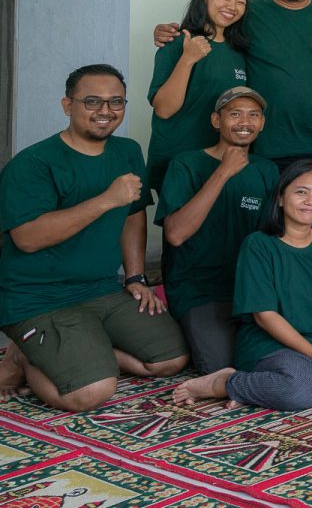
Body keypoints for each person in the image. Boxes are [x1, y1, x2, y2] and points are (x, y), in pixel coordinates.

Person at [0, 65, 189, 411]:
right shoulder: (33, 163)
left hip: (101, 289)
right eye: (92, 101)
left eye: (116, 101)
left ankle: (86, 350)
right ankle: (23, 358)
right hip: (39, 298)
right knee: (91, 393)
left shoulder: (127, 151)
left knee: (171, 358)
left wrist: (135, 277)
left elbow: (133, 215)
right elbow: (27, 238)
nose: (105, 110)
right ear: (66, 105)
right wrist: (106, 200)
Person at [170, 161, 312, 411]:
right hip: (271, 346)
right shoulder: (258, 245)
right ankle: (225, 383)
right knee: (302, 390)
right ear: (281, 198)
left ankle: (284, 384)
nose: (310, 201)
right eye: (301, 192)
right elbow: (264, 316)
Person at [153, 0, 312, 193]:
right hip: (260, 146)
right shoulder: (249, 14)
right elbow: (212, 25)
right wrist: (167, 33)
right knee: (256, 214)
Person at [157, 87, 279, 374]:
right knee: (218, 366)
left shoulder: (266, 170)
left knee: (272, 355)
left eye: (253, 115)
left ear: (262, 123)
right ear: (216, 120)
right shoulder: (186, 164)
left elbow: (272, 235)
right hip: (199, 289)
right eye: (235, 114)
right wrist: (224, 172)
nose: (245, 122)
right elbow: (176, 234)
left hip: (248, 288)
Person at [148, 0, 251, 196]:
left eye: (241, 2)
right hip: (178, 159)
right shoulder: (177, 42)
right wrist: (188, 59)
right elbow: (164, 109)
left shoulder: (238, 52)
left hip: (220, 161)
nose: (232, 6)